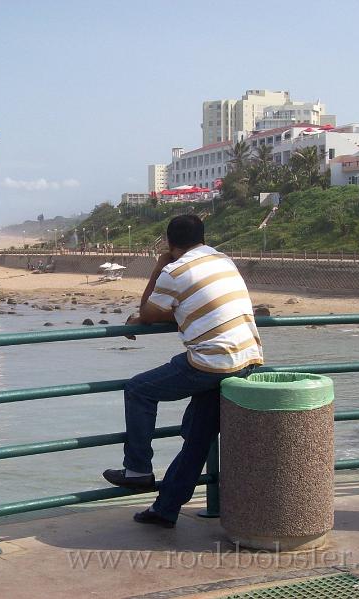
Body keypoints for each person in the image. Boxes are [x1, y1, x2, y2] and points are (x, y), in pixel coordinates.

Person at [103, 215, 263, 528]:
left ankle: (137, 470)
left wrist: (160, 264)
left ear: (169, 242)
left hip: (212, 361)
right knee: (198, 437)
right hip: (248, 355)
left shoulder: (175, 270)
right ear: (202, 237)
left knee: (139, 390)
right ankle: (165, 509)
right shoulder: (223, 260)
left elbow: (148, 311)